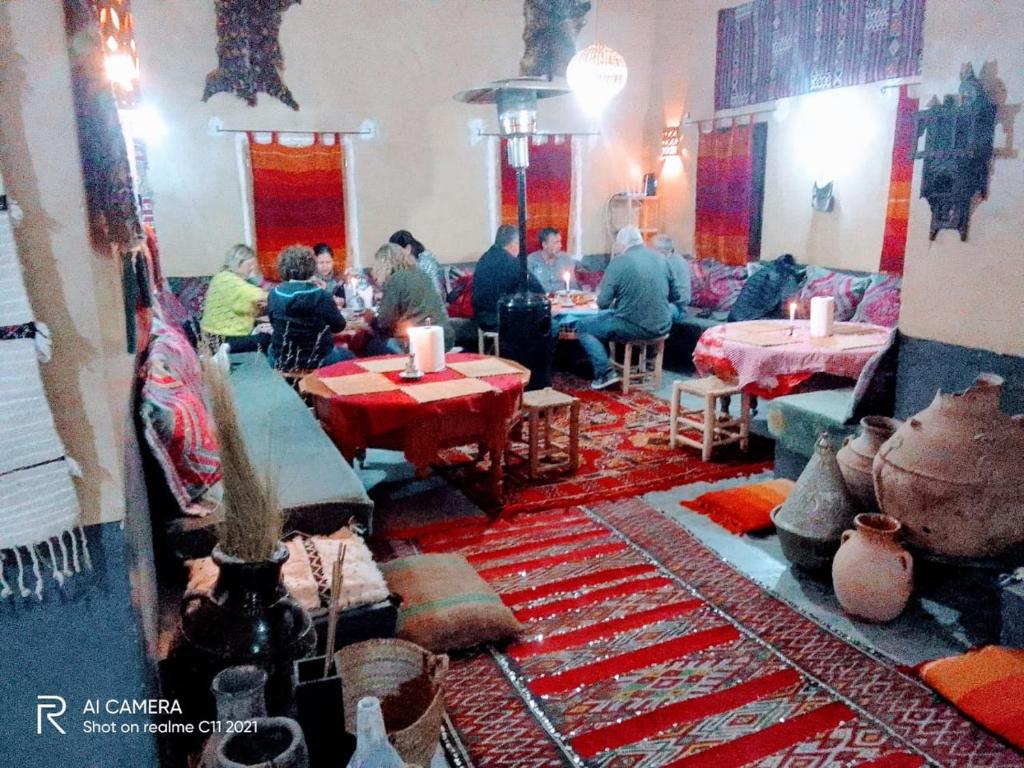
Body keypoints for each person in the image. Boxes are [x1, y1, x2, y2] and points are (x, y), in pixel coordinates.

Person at [576, 226, 680, 390]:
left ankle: (605, 373)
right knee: (614, 316)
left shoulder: (619, 262)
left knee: (583, 326)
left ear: (622, 245)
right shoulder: (661, 259)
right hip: (663, 325)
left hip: (633, 327)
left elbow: (603, 303)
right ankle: (634, 369)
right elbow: (676, 296)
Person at [267, 244, 353, 371]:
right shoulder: (321, 295)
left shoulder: (274, 294)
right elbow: (339, 326)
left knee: (270, 349)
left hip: (282, 360)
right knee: (350, 356)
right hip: (318, 359)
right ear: (312, 268)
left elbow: (274, 323)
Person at [364, 243, 455, 355]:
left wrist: (371, 320)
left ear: (382, 264)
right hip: (443, 337)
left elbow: (385, 323)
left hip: (417, 342)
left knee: (371, 346)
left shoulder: (395, 280)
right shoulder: (421, 274)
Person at [471, 224, 544, 333]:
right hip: (501, 318)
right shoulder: (511, 262)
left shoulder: (485, 258)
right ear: (514, 243)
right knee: (549, 324)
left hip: (481, 317)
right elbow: (538, 289)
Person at [200, 244, 269, 353]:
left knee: (263, 327)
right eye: (249, 265)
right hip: (224, 337)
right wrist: (255, 279)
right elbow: (266, 296)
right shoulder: (234, 283)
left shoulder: (220, 277)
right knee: (268, 338)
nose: (252, 269)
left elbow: (243, 306)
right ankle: (229, 347)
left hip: (209, 335)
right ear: (238, 263)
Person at [389, 230, 446, 301]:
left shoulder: (427, 263)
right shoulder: (406, 267)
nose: (394, 257)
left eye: (395, 252)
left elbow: (436, 295)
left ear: (408, 249)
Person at [651, 233, 693, 322]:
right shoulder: (653, 262)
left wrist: (663, 299)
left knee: (658, 314)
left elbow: (685, 297)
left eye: (653, 250)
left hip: (676, 307)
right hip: (653, 304)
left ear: (663, 251)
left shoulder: (680, 264)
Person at [527, 227, 578, 293]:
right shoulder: (531, 261)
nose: (560, 245)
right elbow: (527, 288)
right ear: (544, 245)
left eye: (560, 242)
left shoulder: (566, 259)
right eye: (556, 243)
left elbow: (573, 286)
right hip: (540, 301)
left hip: (563, 301)